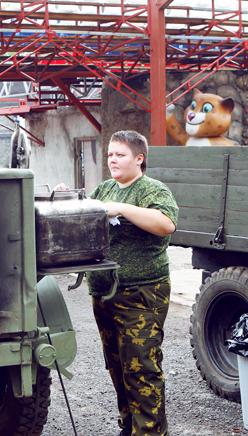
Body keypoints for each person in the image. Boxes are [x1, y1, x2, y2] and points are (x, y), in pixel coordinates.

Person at [58, 130, 177, 435]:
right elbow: (82, 220)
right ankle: (129, 426)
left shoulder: (152, 190)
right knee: (118, 366)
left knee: (141, 368)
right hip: (104, 293)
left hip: (142, 292)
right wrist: (68, 199)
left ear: (139, 158)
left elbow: (166, 225)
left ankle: (150, 431)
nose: (113, 160)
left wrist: (122, 209)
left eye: (120, 154)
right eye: (110, 154)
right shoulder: (104, 189)